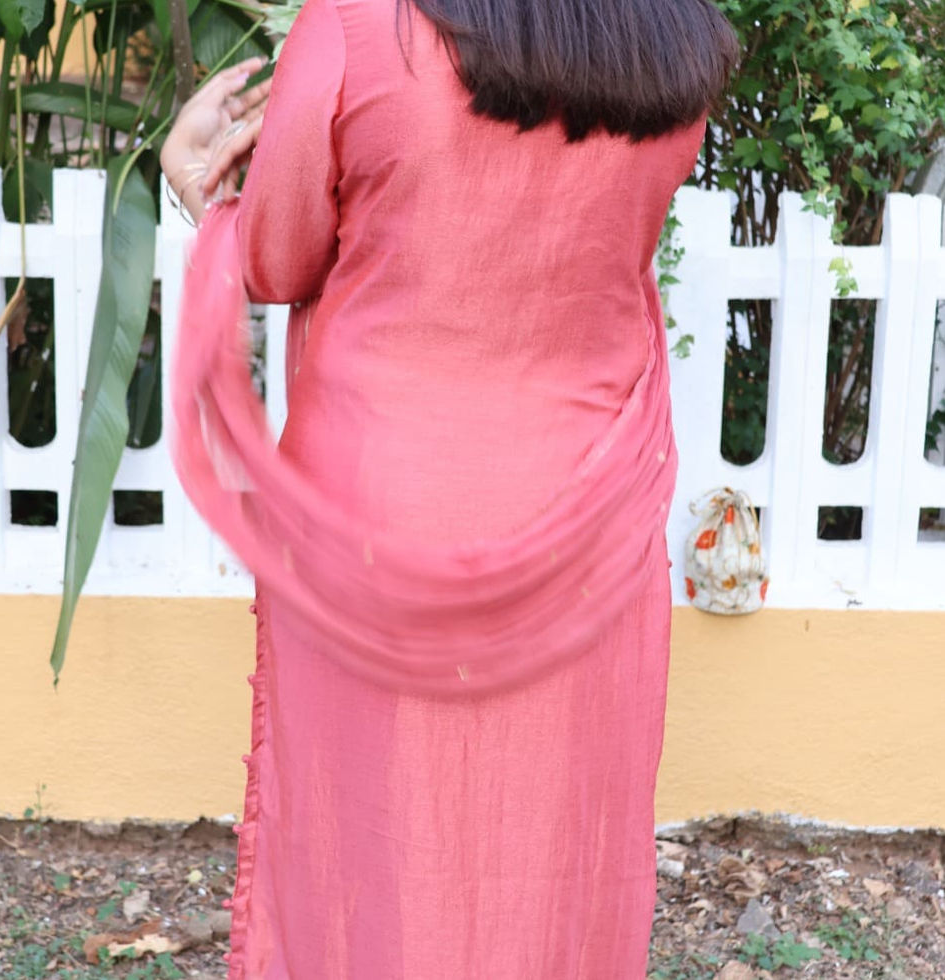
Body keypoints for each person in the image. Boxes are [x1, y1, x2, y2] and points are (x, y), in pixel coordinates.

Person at [161, 0, 737, 975]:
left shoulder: (357, 28)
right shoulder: (674, 40)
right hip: (585, 503)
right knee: (548, 840)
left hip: (382, 504)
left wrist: (197, 183)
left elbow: (276, 256)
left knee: (374, 834)